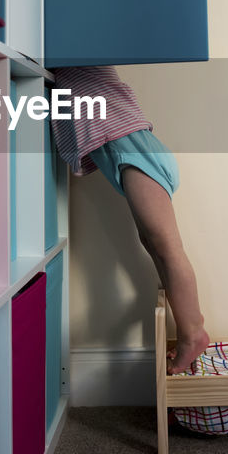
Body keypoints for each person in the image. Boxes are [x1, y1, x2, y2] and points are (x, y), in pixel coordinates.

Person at [50, 65, 209, 374]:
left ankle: (194, 332)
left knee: (167, 247)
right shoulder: (68, 58)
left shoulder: (85, 56)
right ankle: (190, 326)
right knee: (151, 242)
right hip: (132, 156)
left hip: (138, 153)